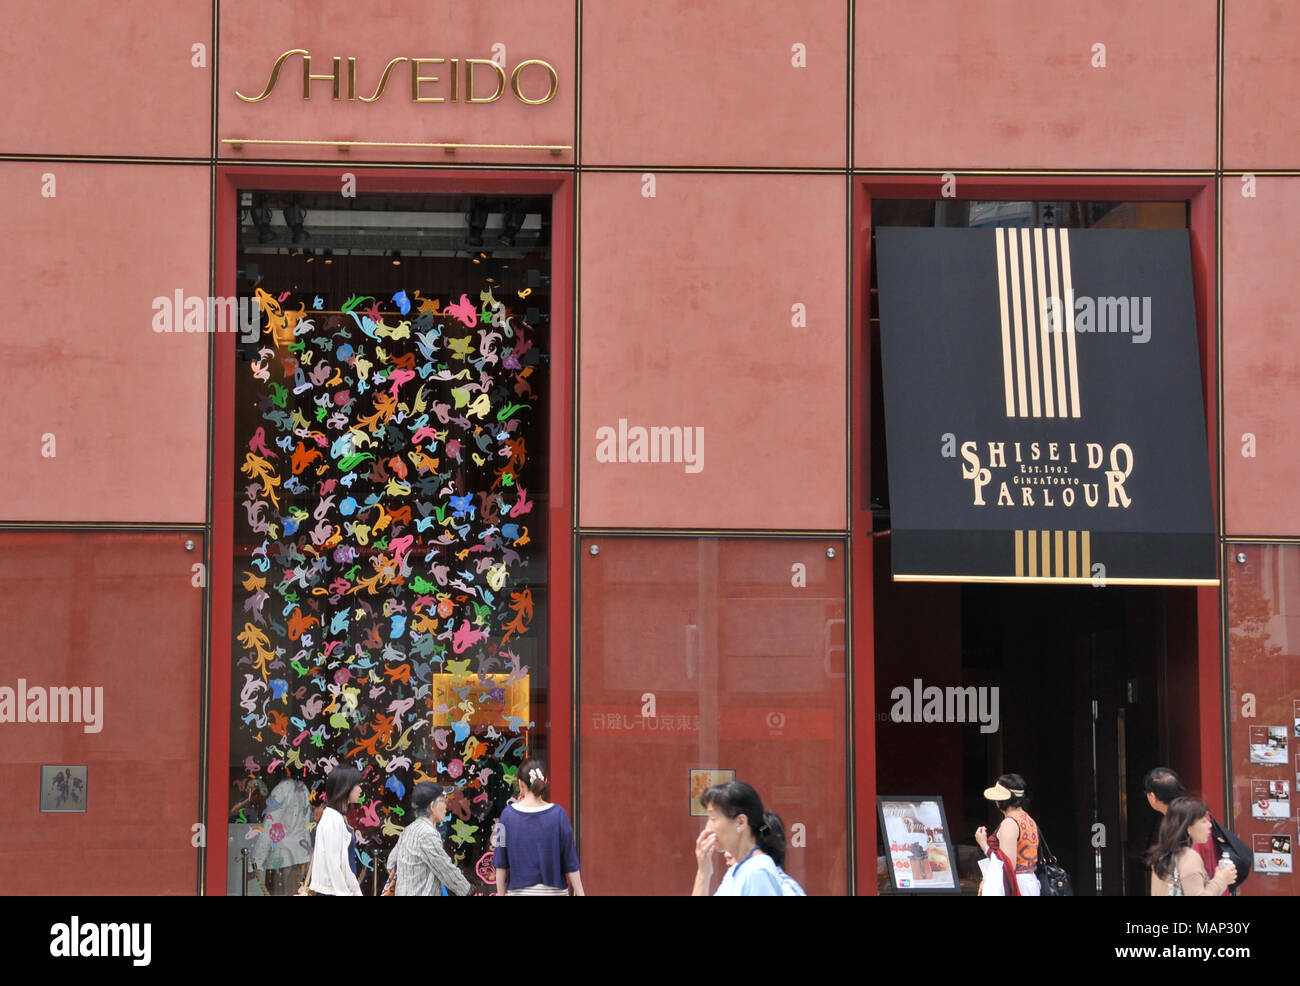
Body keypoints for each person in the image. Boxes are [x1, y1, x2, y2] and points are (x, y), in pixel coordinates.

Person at [494, 759, 584, 896]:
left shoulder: (507, 816)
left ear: (520, 783)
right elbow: (571, 862)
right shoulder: (559, 815)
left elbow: (500, 864)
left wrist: (500, 894)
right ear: (545, 782)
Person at [691, 780, 785, 896]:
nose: (707, 827)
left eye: (713, 818)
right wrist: (703, 873)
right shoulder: (735, 871)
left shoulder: (758, 873)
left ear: (741, 822)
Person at [1143, 766, 1226, 894]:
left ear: (1152, 797)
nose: (1207, 825)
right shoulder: (1193, 822)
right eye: (1204, 821)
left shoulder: (1192, 826)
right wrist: (1221, 881)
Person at [387, 782, 471, 896]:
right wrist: (469, 891)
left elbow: (391, 864)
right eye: (443, 800)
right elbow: (446, 869)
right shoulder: (427, 834)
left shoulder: (408, 830)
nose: (447, 805)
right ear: (432, 806)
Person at [1147, 796, 1237, 895]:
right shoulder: (1189, 857)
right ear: (1187, 826)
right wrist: (1221, 880)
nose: (1209, 825)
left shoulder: (1161, 856)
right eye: (1203, 821)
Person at [974, 773, 1040, 896]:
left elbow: (1007, 865)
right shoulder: (1028, 819)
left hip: (1016, 886)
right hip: (1029, 883)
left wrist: (983, 844)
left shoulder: (1010, 823)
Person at [308, 765, 364, 896]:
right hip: (335, 891)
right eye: (357, 785)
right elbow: (334, 865)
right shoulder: (332, 819)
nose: (360, 790)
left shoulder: (337, 817)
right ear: (346, 787)